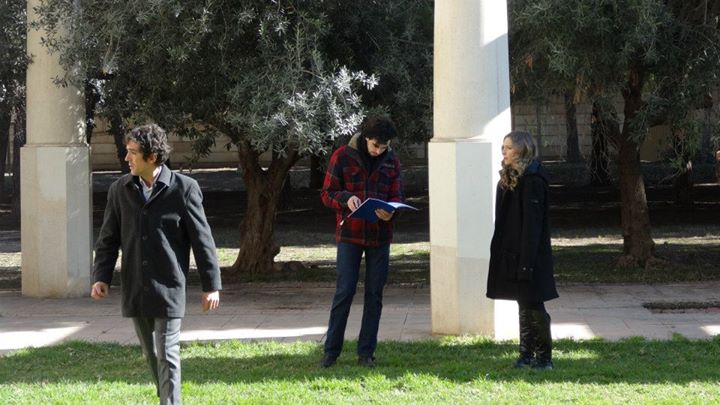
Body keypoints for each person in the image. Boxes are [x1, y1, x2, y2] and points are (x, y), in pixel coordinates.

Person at [91, 124, 222, 404]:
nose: (127, 159)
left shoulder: (185, 189)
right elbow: (108, 238)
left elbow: (203, 240)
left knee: (167, 351)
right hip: (136, 287)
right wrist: (101, 276)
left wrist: (212, 286)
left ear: (152, 157)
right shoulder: (119, 190)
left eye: (132, 153)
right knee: (152, 354)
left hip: (169, 288)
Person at [319, 115, 404, 368]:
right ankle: (331, 352)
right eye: (376, 145)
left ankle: (366, 352)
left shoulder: (392, 161)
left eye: (384, 147)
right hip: (349, 235)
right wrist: (346, 199)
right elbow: (327, 193)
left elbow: (397, 195)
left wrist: (392, 211)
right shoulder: (342, 156)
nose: (379, 150)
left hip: (380, 236)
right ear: (366, 138)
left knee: (374, 294)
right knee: (344, 291)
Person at [486, 131, 558, 370]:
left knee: (534, 303)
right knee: (523, 303)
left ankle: (544, 357)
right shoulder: (507, 178)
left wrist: (526, 262)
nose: (503, 151)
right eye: (503, 147)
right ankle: (525, 354)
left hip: (531, 255)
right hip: (513, 252)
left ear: (521, 150)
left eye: (508, 147)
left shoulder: (533, 181)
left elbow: (532, 225)